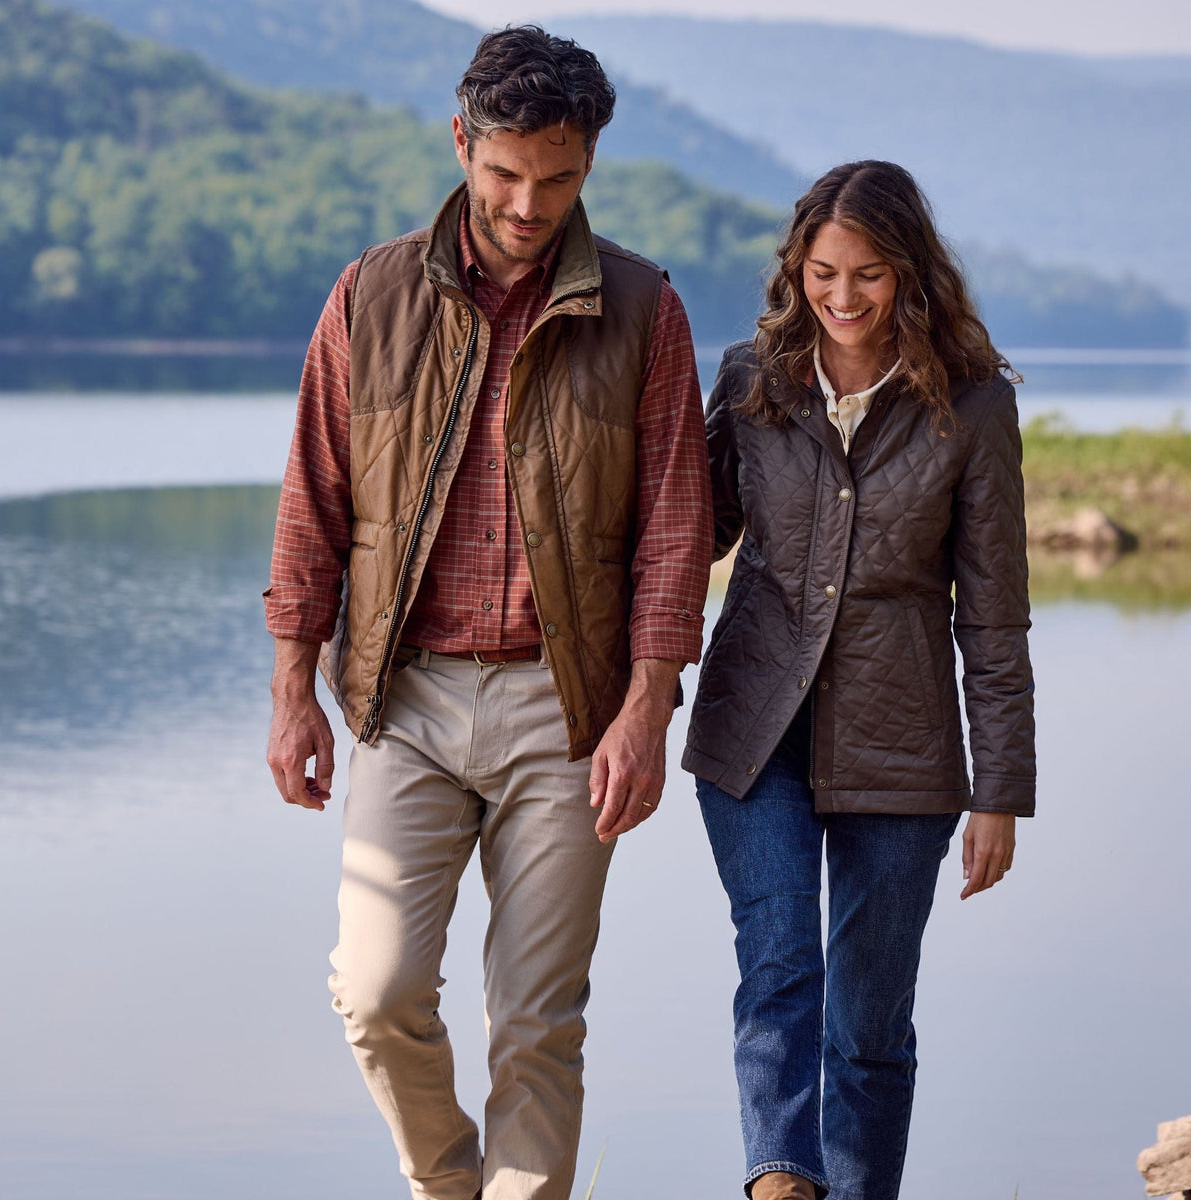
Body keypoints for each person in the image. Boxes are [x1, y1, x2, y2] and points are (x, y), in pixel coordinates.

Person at [262, 26, 712, 1200]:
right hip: (403, 699)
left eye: (557, 178)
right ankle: (449, 1183)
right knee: (375, 992)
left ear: (588, 162)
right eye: (506, 172)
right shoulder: (369, 295)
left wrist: (645, 709)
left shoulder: (645, 311)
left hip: (568, 711)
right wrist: (291, 689)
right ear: (461, 142)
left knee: (537, 1020)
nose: (527, 204)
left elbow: (674, 534)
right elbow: (314, 501)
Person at [683, 160, 1036, 1200]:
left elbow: (994, 618)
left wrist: (1001, 791)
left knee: (869, 1027)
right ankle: (781, 1181)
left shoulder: (973, 408)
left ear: (911, 273)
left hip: (905, 748)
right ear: (796, 269)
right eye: (823, 272)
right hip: (753, 731)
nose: (843, 296)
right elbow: (686, 541)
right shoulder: (751, 380)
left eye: (869, 274)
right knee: (781, 966)